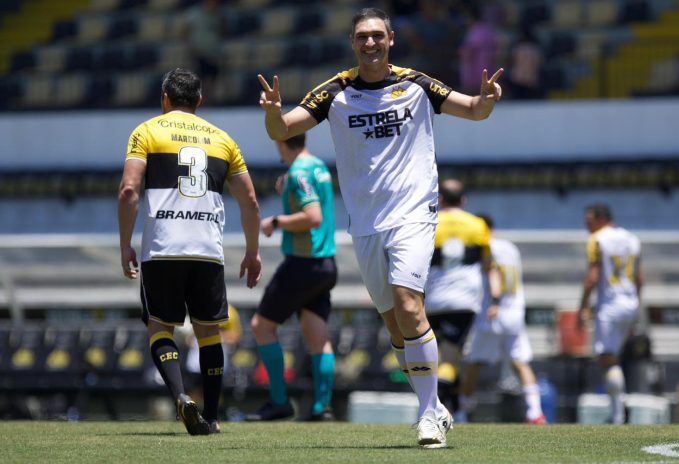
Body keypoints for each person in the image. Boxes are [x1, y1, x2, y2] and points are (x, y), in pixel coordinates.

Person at [257, 7, 502, 448]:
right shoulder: (335, 91)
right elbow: (284, 127)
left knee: (409, 305)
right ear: (352, 42)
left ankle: (427, 415)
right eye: (362, 37)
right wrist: (273, 112)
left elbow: (473, 110)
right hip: (367, 224)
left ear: (391, 39)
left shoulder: (417, 84)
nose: (370, 43)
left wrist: (486, 99)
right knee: (394, 326)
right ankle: (435, 405)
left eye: (377, 35)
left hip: (414, 214)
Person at [118, 68, 262, 435]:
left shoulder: (146, 131)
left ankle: (181, 395)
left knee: (160, 326)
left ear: (165, 98)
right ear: (199, 100)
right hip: (207, 248)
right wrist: (252, 252)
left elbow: (129, 190)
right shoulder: (223, 139)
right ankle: (212, 417)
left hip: (163, 247)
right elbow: (250, 201)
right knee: (209, 332)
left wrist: (125, 244)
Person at [245, 134, 337, 422]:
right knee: (318, 337)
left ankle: (279, 401)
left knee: (261, 326)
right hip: (325, 264)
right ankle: (322, 408)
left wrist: (276, 222)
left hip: (302, 264)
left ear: (280, 141)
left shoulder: (298, 172)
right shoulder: (317, 166)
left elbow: (313, 216)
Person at [456, 214, 546, 424]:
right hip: (514, 311)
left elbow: (493, 273)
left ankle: (461, 413)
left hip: (491, 313)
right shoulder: (511, 248)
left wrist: (494, 301)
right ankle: (535, 412)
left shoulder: (485, 248)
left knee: (474, 363)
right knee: (521, 363)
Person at [423, 179, 497, 412]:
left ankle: (450, 406)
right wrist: (495, 299)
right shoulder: (477, 225)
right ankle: (439, 407)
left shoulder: (429, 223)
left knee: (440, 354)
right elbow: (489, 265)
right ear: (463, 200)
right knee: (451, 357)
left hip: (433, 299)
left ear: (440, 199)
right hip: (465, 299)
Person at [578, 203, 644, 424]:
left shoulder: (597, 239)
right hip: (630, 303)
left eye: (589, 221)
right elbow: (640, 278)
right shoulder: (632, 239)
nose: (586, 225)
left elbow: (592, 278)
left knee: (607, 358)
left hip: (610, 306)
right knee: (615, 356)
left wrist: (583, 307)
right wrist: (636, 307)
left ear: (601, 219)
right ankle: (620, 405)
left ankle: (618, 414)